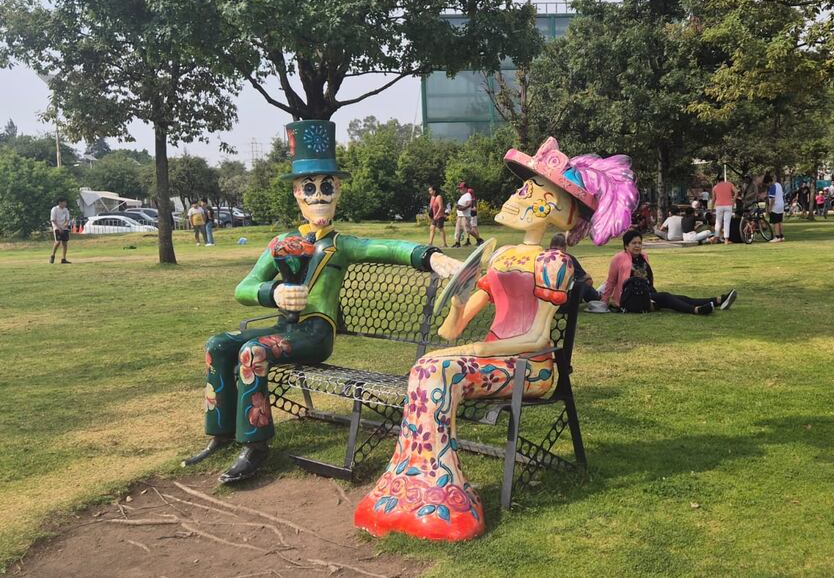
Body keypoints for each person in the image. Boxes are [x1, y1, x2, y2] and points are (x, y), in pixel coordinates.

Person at [355, 137, 638, 541]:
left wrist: (473, 350)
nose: (515, 195)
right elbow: (451, 329)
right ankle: (412, 485)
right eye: (521, 187)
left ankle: (440, 491)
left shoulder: (554, 262)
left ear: (554, 208)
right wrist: (456, 297)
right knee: (428, 366)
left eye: (528, 190)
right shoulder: (501, 256)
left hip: (531, 369)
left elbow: (539, 336)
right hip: (493, 363)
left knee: (439, 369)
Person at [183, 120, 463, 484]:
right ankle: (219, 432)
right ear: (297, 194)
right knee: (219, 344)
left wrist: (432, 257)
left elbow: (388, 248)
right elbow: (244, 287)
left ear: (338, 191)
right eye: (310, 187)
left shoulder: (340, 245)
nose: (319, 195)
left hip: (315, 335)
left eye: (327, 186)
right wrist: (273, 293)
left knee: (253, 352)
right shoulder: (281, 242)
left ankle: (255, 446)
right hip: (285, 328)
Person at [601, 230, 736, 315]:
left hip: (648, 294)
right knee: (666, 297)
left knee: (680, 298)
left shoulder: (644, 256)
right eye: (633, 243)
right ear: (626, 245)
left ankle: (718, 300)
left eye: (639, 243)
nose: (637, 246)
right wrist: (604, 303)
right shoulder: (618, 258)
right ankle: (696, 311)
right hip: (631, 300)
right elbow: (611, 282)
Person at [549, 233, 599, 303]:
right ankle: (598, 298)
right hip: (564, 296)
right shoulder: (567, 258)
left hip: (544, 293)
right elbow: (585, 277)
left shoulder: (541, 256)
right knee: (586, 282)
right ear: (565, 246)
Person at [712, 175, 736, 243]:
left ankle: (716, 238)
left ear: (718, 180)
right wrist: (733, 200)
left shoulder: (715, 187)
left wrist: (711, 208)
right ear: (724, 179)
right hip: (728, 205)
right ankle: (726, 240)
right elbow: (736, 192)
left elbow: (714, 199)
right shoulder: (729, 184)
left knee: (718, 222)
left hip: (719, 206)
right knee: (726, 222)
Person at [49, 198, 71, 264]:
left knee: (65, 243)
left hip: (64, 228)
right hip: (56, 227)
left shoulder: (66, 210)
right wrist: (59, 228)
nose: (65, 204)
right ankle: (52, 256)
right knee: (58, 242)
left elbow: (67, 219)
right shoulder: (54, 209)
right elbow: (53, 220)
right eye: (64, 202)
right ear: (60, 203)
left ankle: (63, 259)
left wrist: (65, 225)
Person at [765, 174, 785, 242]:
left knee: (775, 222)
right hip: (781, 204)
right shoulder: (778, 184)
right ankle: (782, 236)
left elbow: (772, 199)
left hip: (775, 206)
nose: (767, 185)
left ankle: (777, 237)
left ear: (769, 182)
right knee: (780, 221)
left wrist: (770, 208)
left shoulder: (772, 187)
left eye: (767, 184)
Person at [453, 181, 473, 247]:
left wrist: (463, 208)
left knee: (467, 230)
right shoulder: (463, 196)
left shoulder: (468, 195)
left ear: (465, 188)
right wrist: (458, 206)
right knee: (458, 230)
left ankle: (479, 239)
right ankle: (457, 243)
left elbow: (469, 204)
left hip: (465, 216)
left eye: (461, 188)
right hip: (460, 215)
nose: (460, 190)